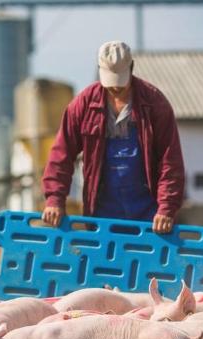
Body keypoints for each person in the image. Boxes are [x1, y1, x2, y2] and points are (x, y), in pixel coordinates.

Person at [41, 40, 185, 233]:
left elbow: (171, 161)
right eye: (110, 82)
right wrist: (54, 200)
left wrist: (166, 208)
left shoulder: (155, 104)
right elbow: (61, 154)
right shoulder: (83, 105)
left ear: (131, 68)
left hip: (149, 216)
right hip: (101, 213)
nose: (116, 88)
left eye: (120, 82)